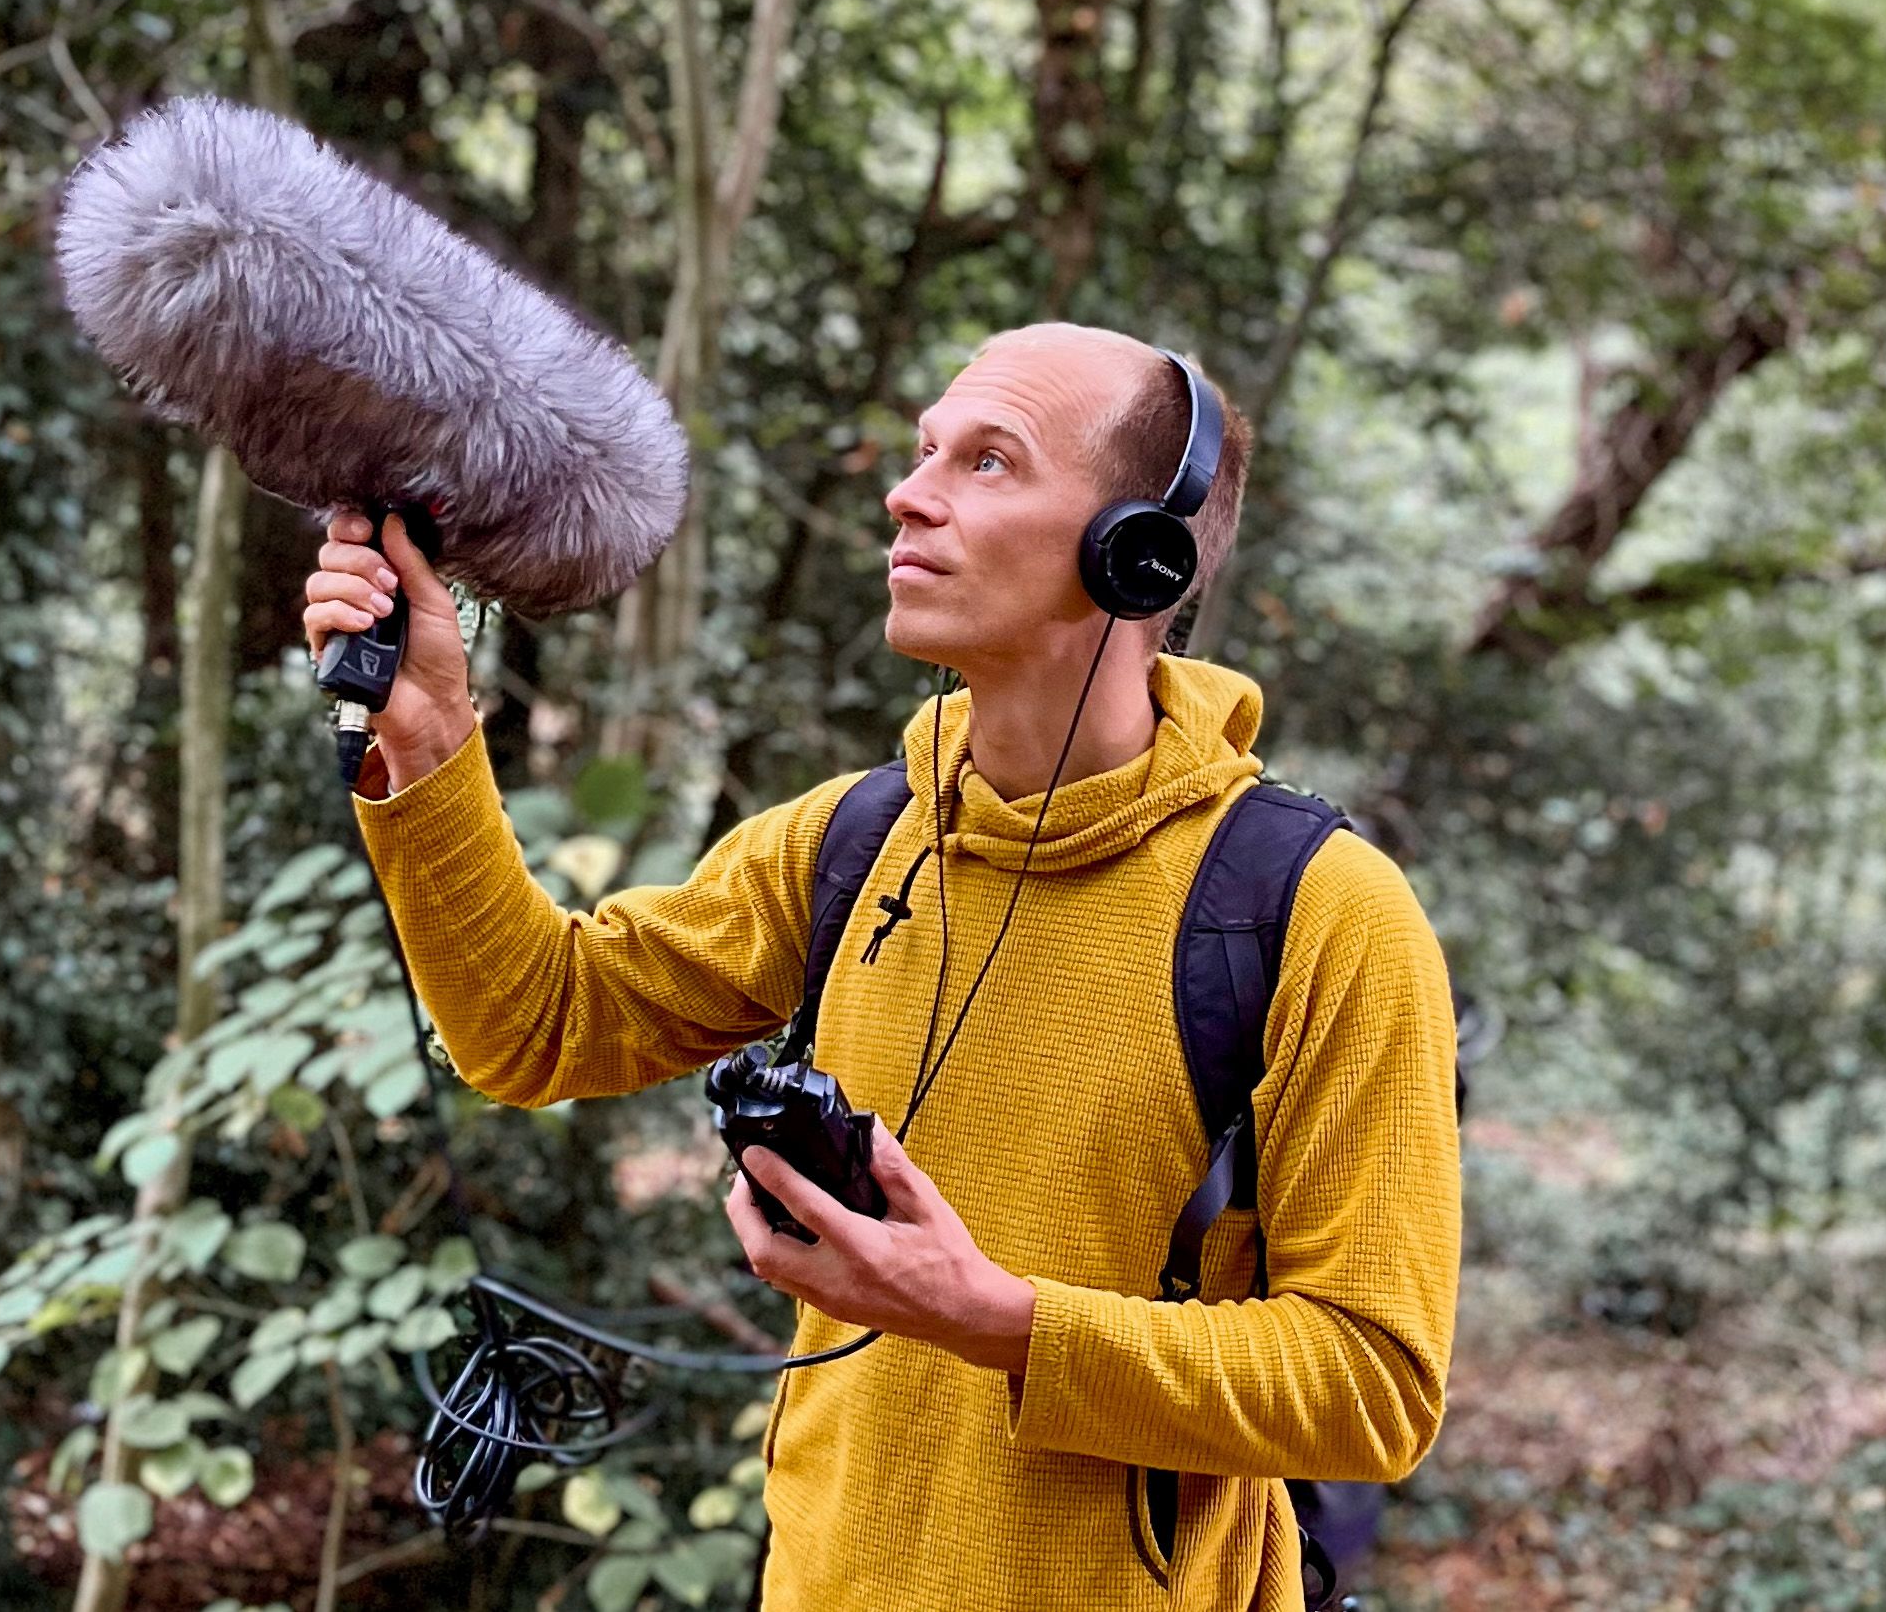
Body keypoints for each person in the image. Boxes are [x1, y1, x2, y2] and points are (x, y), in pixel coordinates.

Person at [300, 323, 1461, 1610]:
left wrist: (1003, 1324)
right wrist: (433, 743)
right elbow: (535, 1029)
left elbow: (1377, 1390)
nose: (910, 493)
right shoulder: (851, 842)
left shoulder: (1317, 915)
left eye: (990, 461)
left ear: (1140, 555)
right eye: (924, 451)